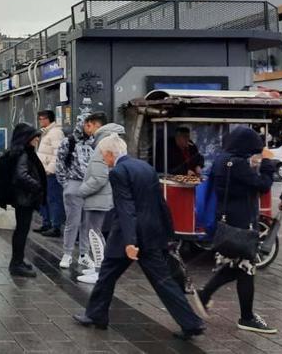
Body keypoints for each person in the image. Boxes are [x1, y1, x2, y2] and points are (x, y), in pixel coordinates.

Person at [73, 134, 205, 340]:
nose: (103, 160)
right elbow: (160, 203)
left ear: (110, 154)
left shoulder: (118, 172)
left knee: (107, 273)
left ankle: (96, 315)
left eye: (102, 156)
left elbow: (126, 208)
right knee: (163, 281)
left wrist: (130, 242)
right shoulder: (145, 167)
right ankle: (192, 322)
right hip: (152, 234)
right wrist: (168, 234)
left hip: (129, 236)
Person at [194, 126, 277, 334]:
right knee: (245, 268)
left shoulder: (223, 160)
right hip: (240, 224)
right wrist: (267, 162)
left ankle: (204, 295)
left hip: (227, 221)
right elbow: (263, 185)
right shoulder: (238, 164)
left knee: (237, 267)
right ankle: (246, 317)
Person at [77, 113, 123, 284]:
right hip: (103, 197)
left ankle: (99, 271)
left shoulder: (102, 146)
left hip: (97, 198)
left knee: (94, 234)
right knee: (98, 233)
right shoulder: (113, 141)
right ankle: (99, 267)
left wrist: (81, 190)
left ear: (96, 126)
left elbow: (99, 177)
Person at [55, 112, 95, 269]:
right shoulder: (69, 141)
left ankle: (84, 254)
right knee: (73, 221)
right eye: (88, 124)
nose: (90, 128)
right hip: (74, 183)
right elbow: (59, 162)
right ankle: (68, 253)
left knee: (88, 221)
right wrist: (65, 183)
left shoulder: (95, 142)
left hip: (91, 184)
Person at [7, 123, 47, 278]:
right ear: (27, 138)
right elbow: (21, 175)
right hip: (24, 199)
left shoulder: (23, 152)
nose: (37, 139)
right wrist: (37, 186)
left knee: (22, 230)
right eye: (35, 137)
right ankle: (16, 263)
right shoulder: (24, 154)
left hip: (24, 199)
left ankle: (18, 261)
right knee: (21, 231)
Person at [35, 110, 65, 238]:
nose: (40, 121)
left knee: (54, 199)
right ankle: (46, 223)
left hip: (50, 173)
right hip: (43, 172)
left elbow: (59, 153)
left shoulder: (56, 133)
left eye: (42, 118)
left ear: (49, 119)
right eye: (40, 119)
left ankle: (55, 226)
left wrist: (50, 169)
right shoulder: (46, 132)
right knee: (44, 199)